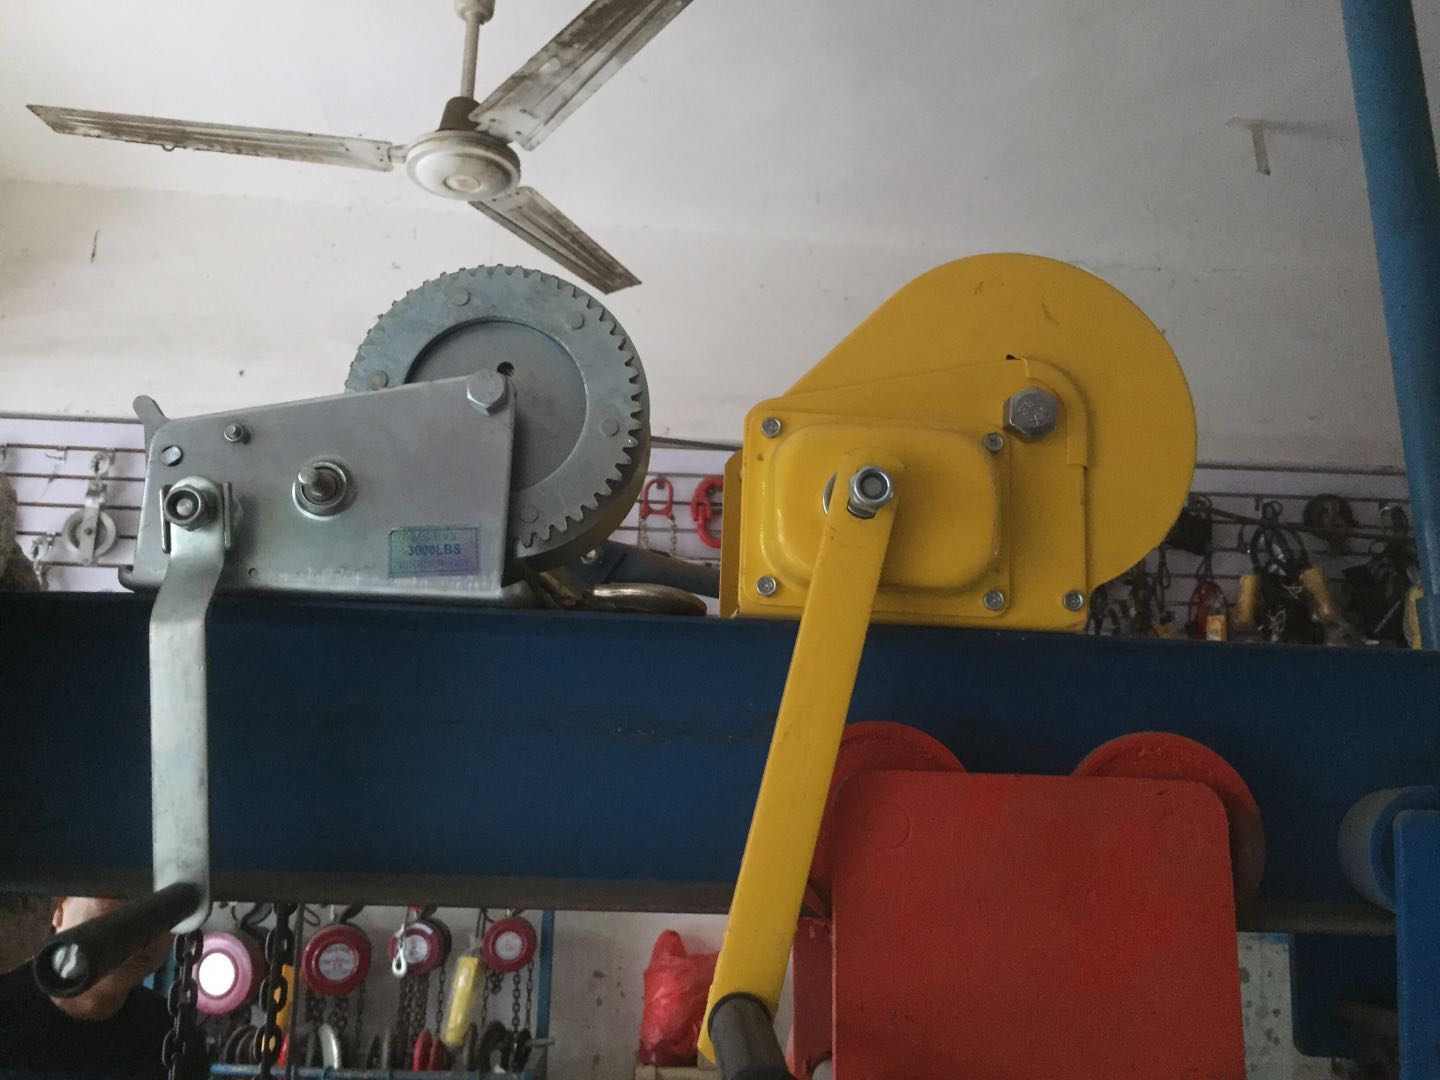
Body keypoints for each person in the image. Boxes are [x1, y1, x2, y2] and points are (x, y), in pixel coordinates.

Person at [0, 896, 180, 1078]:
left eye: (160, 914)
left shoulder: (175, 1038)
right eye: (116, 906)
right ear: (60, 910)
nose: (140, 935)